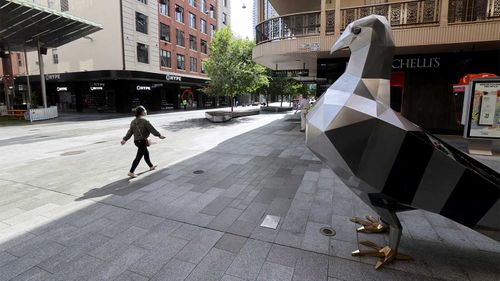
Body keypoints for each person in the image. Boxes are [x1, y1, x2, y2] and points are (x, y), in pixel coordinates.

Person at [121, 106, 165, 178]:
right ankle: (131, 172)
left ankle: (151, 166)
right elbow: (152, 129)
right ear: (141, 112)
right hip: (142, 141)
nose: (145, 111)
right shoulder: (145, 121)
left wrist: (125, 139)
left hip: (137, 141)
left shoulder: (133, 121)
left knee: (146, 153)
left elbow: (130, 132)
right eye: (144, 110)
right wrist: (159, 135)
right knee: (138, 157)